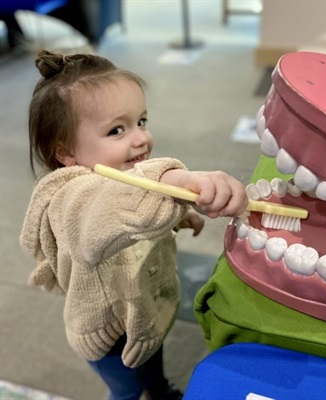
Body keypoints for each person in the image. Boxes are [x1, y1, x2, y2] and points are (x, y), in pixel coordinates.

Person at [20, 49, 248, 400]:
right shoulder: (69, 198)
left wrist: (178, 215)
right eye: (116, 130)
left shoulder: (126, 175)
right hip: (110, 334)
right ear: (66, 153)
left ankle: (158, 389)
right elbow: (103, 214)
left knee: (152, 365)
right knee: (126, 389)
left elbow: (136, 213)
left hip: (145, 313)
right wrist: (174, 180)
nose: (141, 138)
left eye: (141, 121)